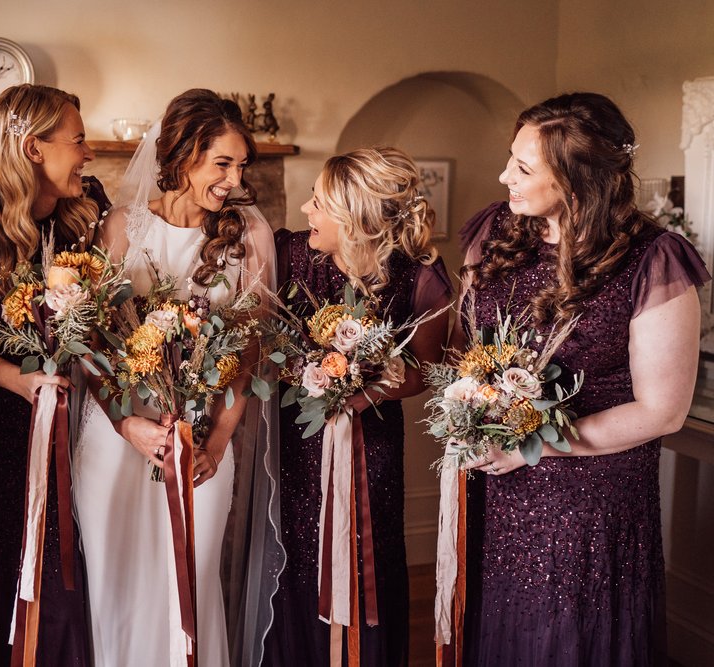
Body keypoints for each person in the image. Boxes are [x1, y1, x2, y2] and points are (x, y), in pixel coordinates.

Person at [456, 92, 710, 666]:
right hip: (497, 489)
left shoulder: (654, 260)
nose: (504, 177)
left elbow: (663, 410)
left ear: (577, 180)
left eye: (523, 168)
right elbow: (472, 346)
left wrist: (533, 448)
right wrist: (474, 412)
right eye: (510, 159)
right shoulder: (495, 231)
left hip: (591, 500)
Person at [73, 88, 279, 667]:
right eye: (223, 163)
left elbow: (251, 356)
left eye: (242, 166)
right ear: (185, 155)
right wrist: (127, 426)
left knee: (190, 582)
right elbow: (89, 344)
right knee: (116, 585)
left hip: (203, 441)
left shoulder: (250, 239)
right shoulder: (121, 228)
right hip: (118, 439)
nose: (235, 180)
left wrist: (215, 444)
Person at [0, 84, 108, 667]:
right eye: (78, 140)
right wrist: (21, 382)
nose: (88, 152)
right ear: (34, 148)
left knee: (64, 585)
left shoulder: (83, 216)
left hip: (70, 425)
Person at [264, 147, 452, 666]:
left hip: (373, 445)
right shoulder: (288, 256)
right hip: (297, 439)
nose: (306, 211)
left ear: (355, 220)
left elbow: (427, 373)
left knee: (368, 555)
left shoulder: (422, 280)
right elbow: (260, 341)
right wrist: (306, 375)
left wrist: (364, 388)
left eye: (318, 202)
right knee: (298, 556)